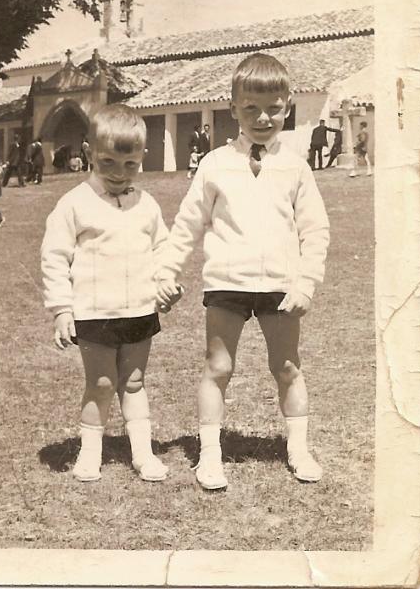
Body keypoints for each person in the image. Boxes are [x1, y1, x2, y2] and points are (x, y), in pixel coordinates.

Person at [157, 53, 330, 490]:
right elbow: (187, 224)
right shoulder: (215, 164)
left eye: (273, 107)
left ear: (288, 106)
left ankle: (298, 448)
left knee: (287, 366)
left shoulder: (296, 165)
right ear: (232, 107)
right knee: (217, 366)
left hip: (281, 286)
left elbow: (315, 230)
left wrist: (306, 284)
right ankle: (210, 455)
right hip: (227, 284)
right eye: (250, 108)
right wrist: (166, 272)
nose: (262, 117)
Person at [41, 104, 179, 483]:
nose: (119, 173)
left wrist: (165, 281)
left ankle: (143, 454)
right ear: (89, 152)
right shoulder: (74, 204)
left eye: (130, 164)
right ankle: (90, 454)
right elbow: (54, 257)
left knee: (133, 383)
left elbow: (162, 248)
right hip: (94, 313)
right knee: (101, 384)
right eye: (108, 163)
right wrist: (61, 309)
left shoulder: (146, 204)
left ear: (142, 158)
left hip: (139, 311)